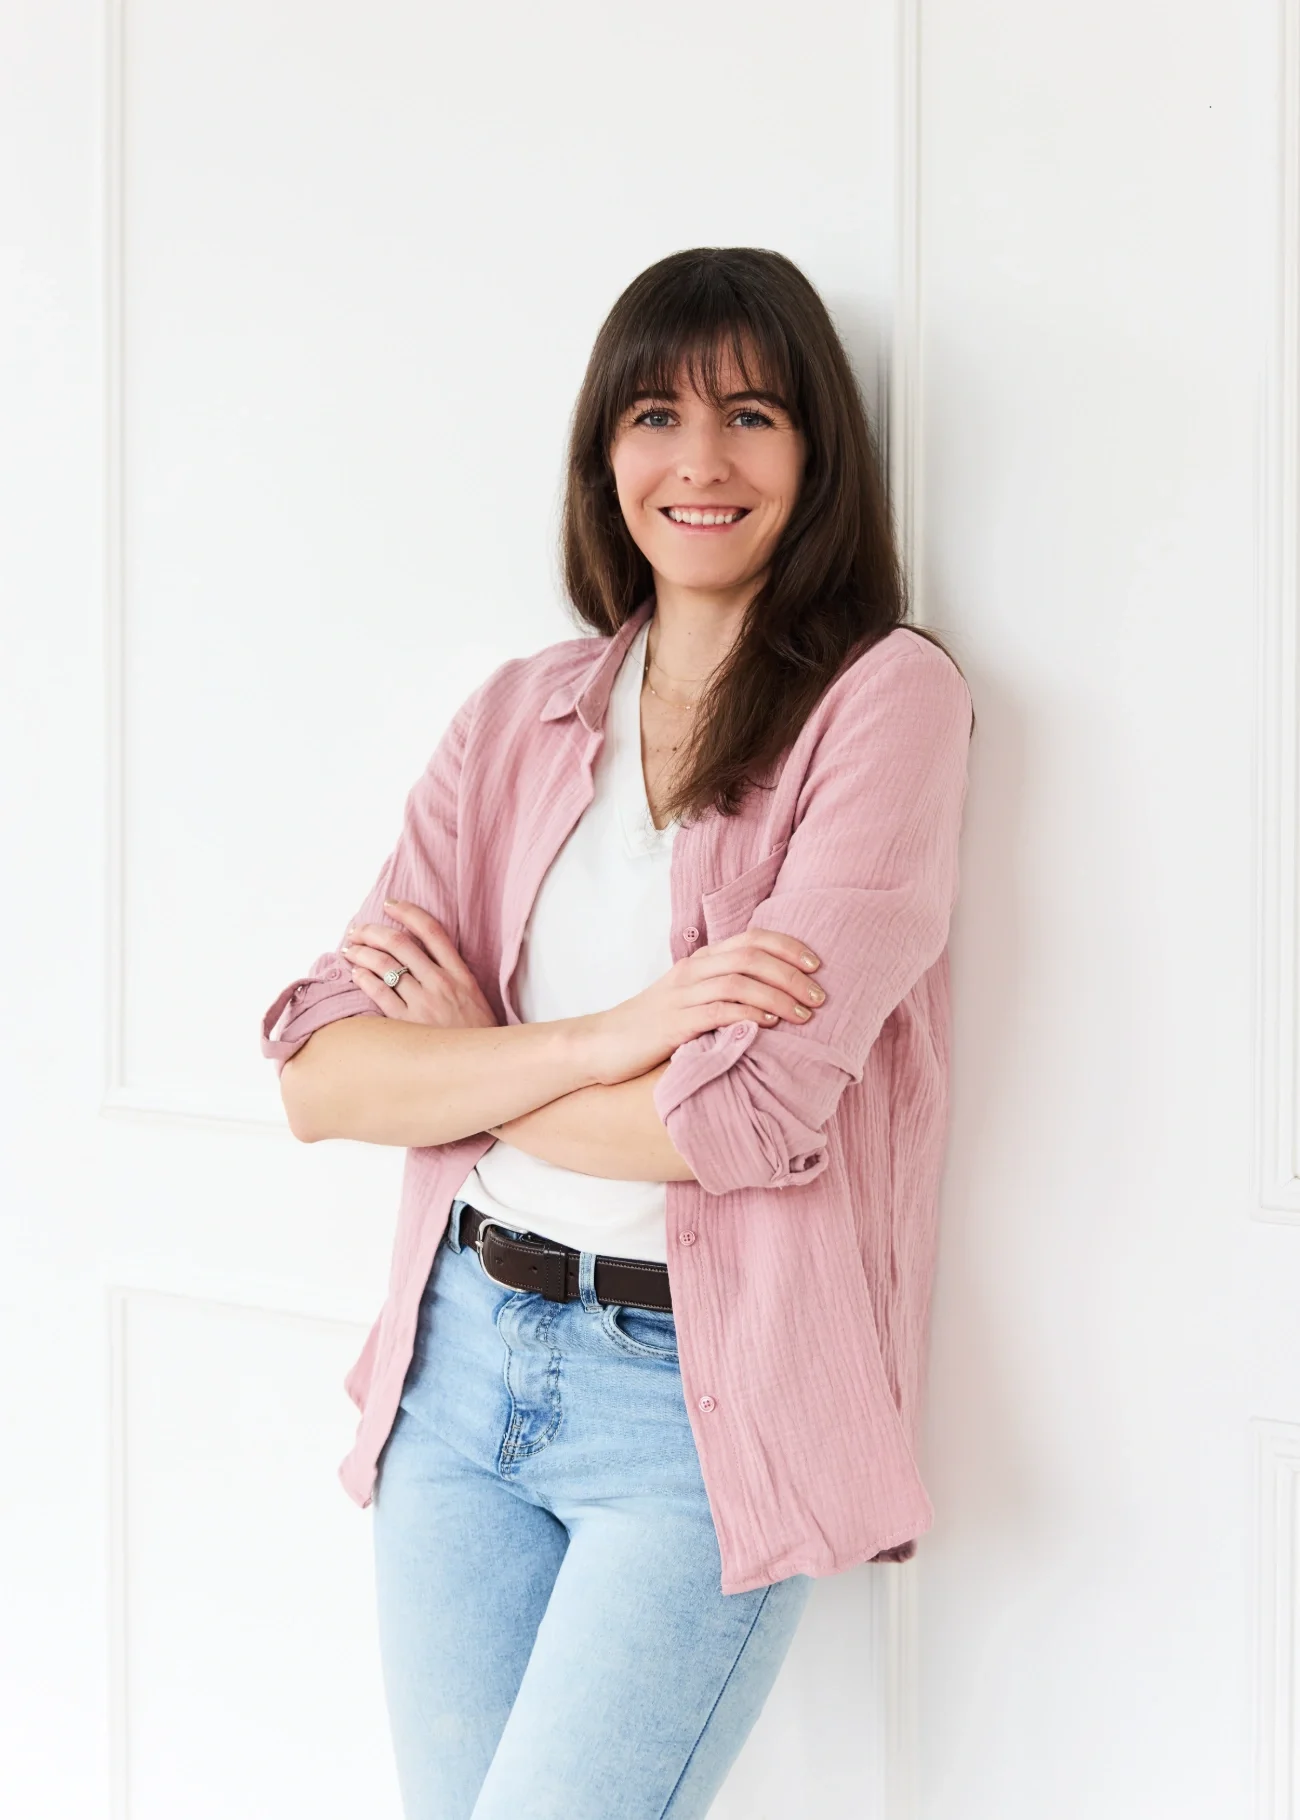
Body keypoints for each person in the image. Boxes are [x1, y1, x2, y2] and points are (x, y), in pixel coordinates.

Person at [260, 245, 974, 1820]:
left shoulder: (885, 703)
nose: (698, 462)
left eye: (753, 416)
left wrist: (478, 1061)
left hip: (688, 1409)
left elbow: (743, 1122)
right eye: (654, 414)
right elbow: (322, 1073)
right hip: (456, 1372)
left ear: (819, 454)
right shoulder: (522, 712)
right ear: (604, 456)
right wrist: (608, 1041)